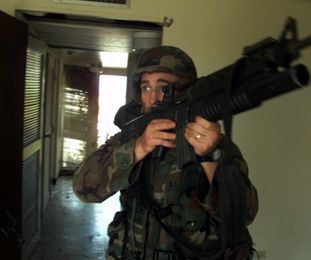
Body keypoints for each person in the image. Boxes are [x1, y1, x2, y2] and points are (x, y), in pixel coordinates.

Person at [73, 46, 258, 260]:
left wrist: (210, 157)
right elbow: (83, 188)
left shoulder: (214, 144)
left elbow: (244, 215)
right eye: (146, 88)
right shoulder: (130, 137)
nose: (152, 99)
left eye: (164, 87)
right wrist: (139, 147)